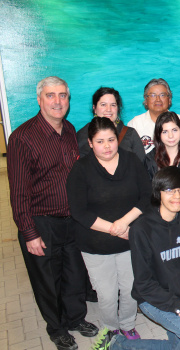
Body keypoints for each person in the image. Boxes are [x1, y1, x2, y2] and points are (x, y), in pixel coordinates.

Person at [7, 76, 98, 350]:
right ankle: (56, 328)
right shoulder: (22, 138)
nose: (57, 101)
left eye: (63, 95)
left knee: (73, 273)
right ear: (39, 99)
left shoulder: (69, 130)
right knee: (47, 280)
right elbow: (18, 193)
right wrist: (29, 233)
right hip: (41, 222)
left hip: (72, 221)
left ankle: (75, 318)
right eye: (50, 95)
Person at [92, 167, 180, 350]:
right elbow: (144, 284)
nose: (177, 196)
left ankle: (116, 345)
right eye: (170, 190)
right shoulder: (142, 229)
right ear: (158, 193)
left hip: (178, 295)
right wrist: (179, 308)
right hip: (151, 299)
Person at [67, 117, 151, 340]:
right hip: (95, 243)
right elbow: (79, 211)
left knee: (131, 289)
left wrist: (125, 223)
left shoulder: (132, 160)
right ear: (90, 143)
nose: (107, 146)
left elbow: (146, 196)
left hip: (129, 239)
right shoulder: (81, 168)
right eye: (100, 141)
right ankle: (109, 328)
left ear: (118, 139)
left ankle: (127, 324)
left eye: (111, 140)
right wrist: (115, 229)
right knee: (106, 294)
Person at [77, 87, 145, 161]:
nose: (108, 109)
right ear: (94, 108)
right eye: (103, 105)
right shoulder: (83, 134)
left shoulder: (130, 134)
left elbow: (140, 165)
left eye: (113, 105)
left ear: (118, 108)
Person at [128, 78, 180, 154]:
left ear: (169, 99)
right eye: (153, 95)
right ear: (146, 100)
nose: (158, 99)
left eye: (162, 95)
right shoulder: (135, 124)